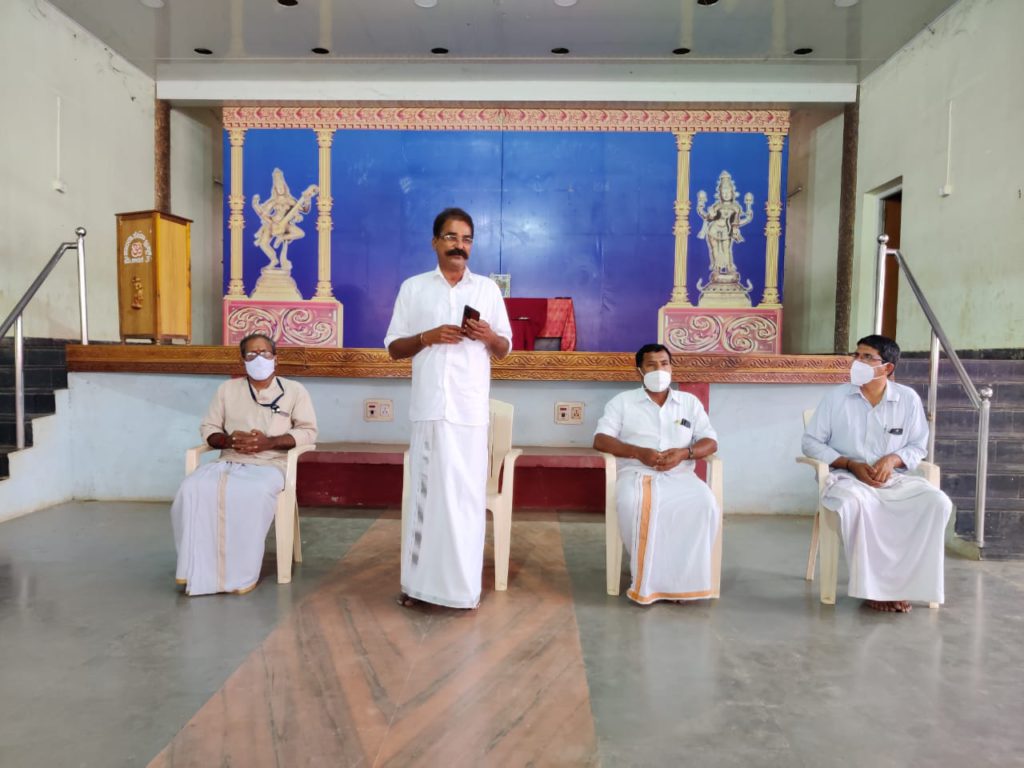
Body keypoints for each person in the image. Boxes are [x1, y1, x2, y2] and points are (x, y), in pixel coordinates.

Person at [384, 207, 513, 609]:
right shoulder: (414, 288)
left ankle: (461, 591)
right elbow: (394, 348)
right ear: (435, 242)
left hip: (470, 413)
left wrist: (487, 335)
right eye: (452, 237)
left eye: (467, 239)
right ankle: (418, 586)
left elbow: (504, 349)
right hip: (430, 410)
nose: (460, 245)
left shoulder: (487, 291)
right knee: (425, 500)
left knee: (465, 503)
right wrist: (427, 337)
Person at [802, 334, 953, 613]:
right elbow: (811, 443)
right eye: (856, 355)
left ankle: (905, 586)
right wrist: (850, 464)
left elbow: (918, 445)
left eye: (867, 357)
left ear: (887, 368)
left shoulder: (907, 399)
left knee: (937, 502)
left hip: (891, 479)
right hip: (846, 477)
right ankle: (874, 590)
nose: (857, 361)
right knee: (856, 503)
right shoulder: (836, 398)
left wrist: (893, 459)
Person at [170, 332, 318, 596]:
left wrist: (269, 442)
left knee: (250, 493)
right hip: (231, 459)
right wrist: (228, 440)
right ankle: (195, 569)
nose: (259, 358)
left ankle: (239, 573)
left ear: (276, 358)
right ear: (242, 361)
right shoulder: (227, 390)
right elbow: (209, 427)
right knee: (191, 489)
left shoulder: (294, 391)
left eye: (265, 353)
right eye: (251, 354)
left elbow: (308, 432)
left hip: (271, 464)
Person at [593, 343, 720, 605]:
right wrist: (637, 452)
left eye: (664, 363)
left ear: (672, 367)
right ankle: (648, 579)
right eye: (651, 365)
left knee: (705, 503)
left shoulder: (689, 403)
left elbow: (710, 441)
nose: (659, 370)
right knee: (634, 504)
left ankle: (685, 582)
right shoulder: (623, 402)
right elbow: (601, 439)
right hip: (637, 472)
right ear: (639, 371)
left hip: (681, 474)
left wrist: (684, 453)